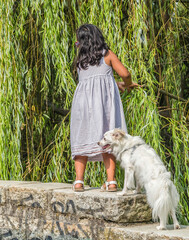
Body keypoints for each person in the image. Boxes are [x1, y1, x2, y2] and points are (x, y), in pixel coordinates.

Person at [70, 24, 138, 192]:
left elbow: (92, 80)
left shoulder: (80, 60)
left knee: (82, 136)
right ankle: (111, 181)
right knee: (108, 137)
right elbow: (125, 73)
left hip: (82, 105)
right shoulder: (106, 54)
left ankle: (79, 181)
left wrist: (115, 84)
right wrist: (128, 85)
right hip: (104, 104)